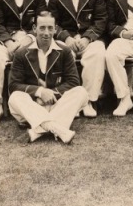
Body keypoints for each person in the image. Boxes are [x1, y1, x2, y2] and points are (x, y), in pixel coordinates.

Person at [8, 11, 89, 144]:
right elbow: (14, 85)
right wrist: (39, 92)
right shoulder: (22, 53)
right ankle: (58, 129)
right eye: (42, 28)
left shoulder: (64, 51)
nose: (46, 33)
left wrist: (51, 94)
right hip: (32, 106)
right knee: (15, 97)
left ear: (55, 29)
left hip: (57, 105)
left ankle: (38, 130)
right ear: (34, 29)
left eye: (50, 28)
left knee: (81, 92)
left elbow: (73, 82)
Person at [47, 0, 107, 117]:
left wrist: (87, 38)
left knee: (98, 52)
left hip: (88, 40)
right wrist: (66, 38)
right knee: (60, 51)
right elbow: (52, 24)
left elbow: (101, 20)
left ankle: (89, 100)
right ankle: (68, 101)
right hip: (66, 39)